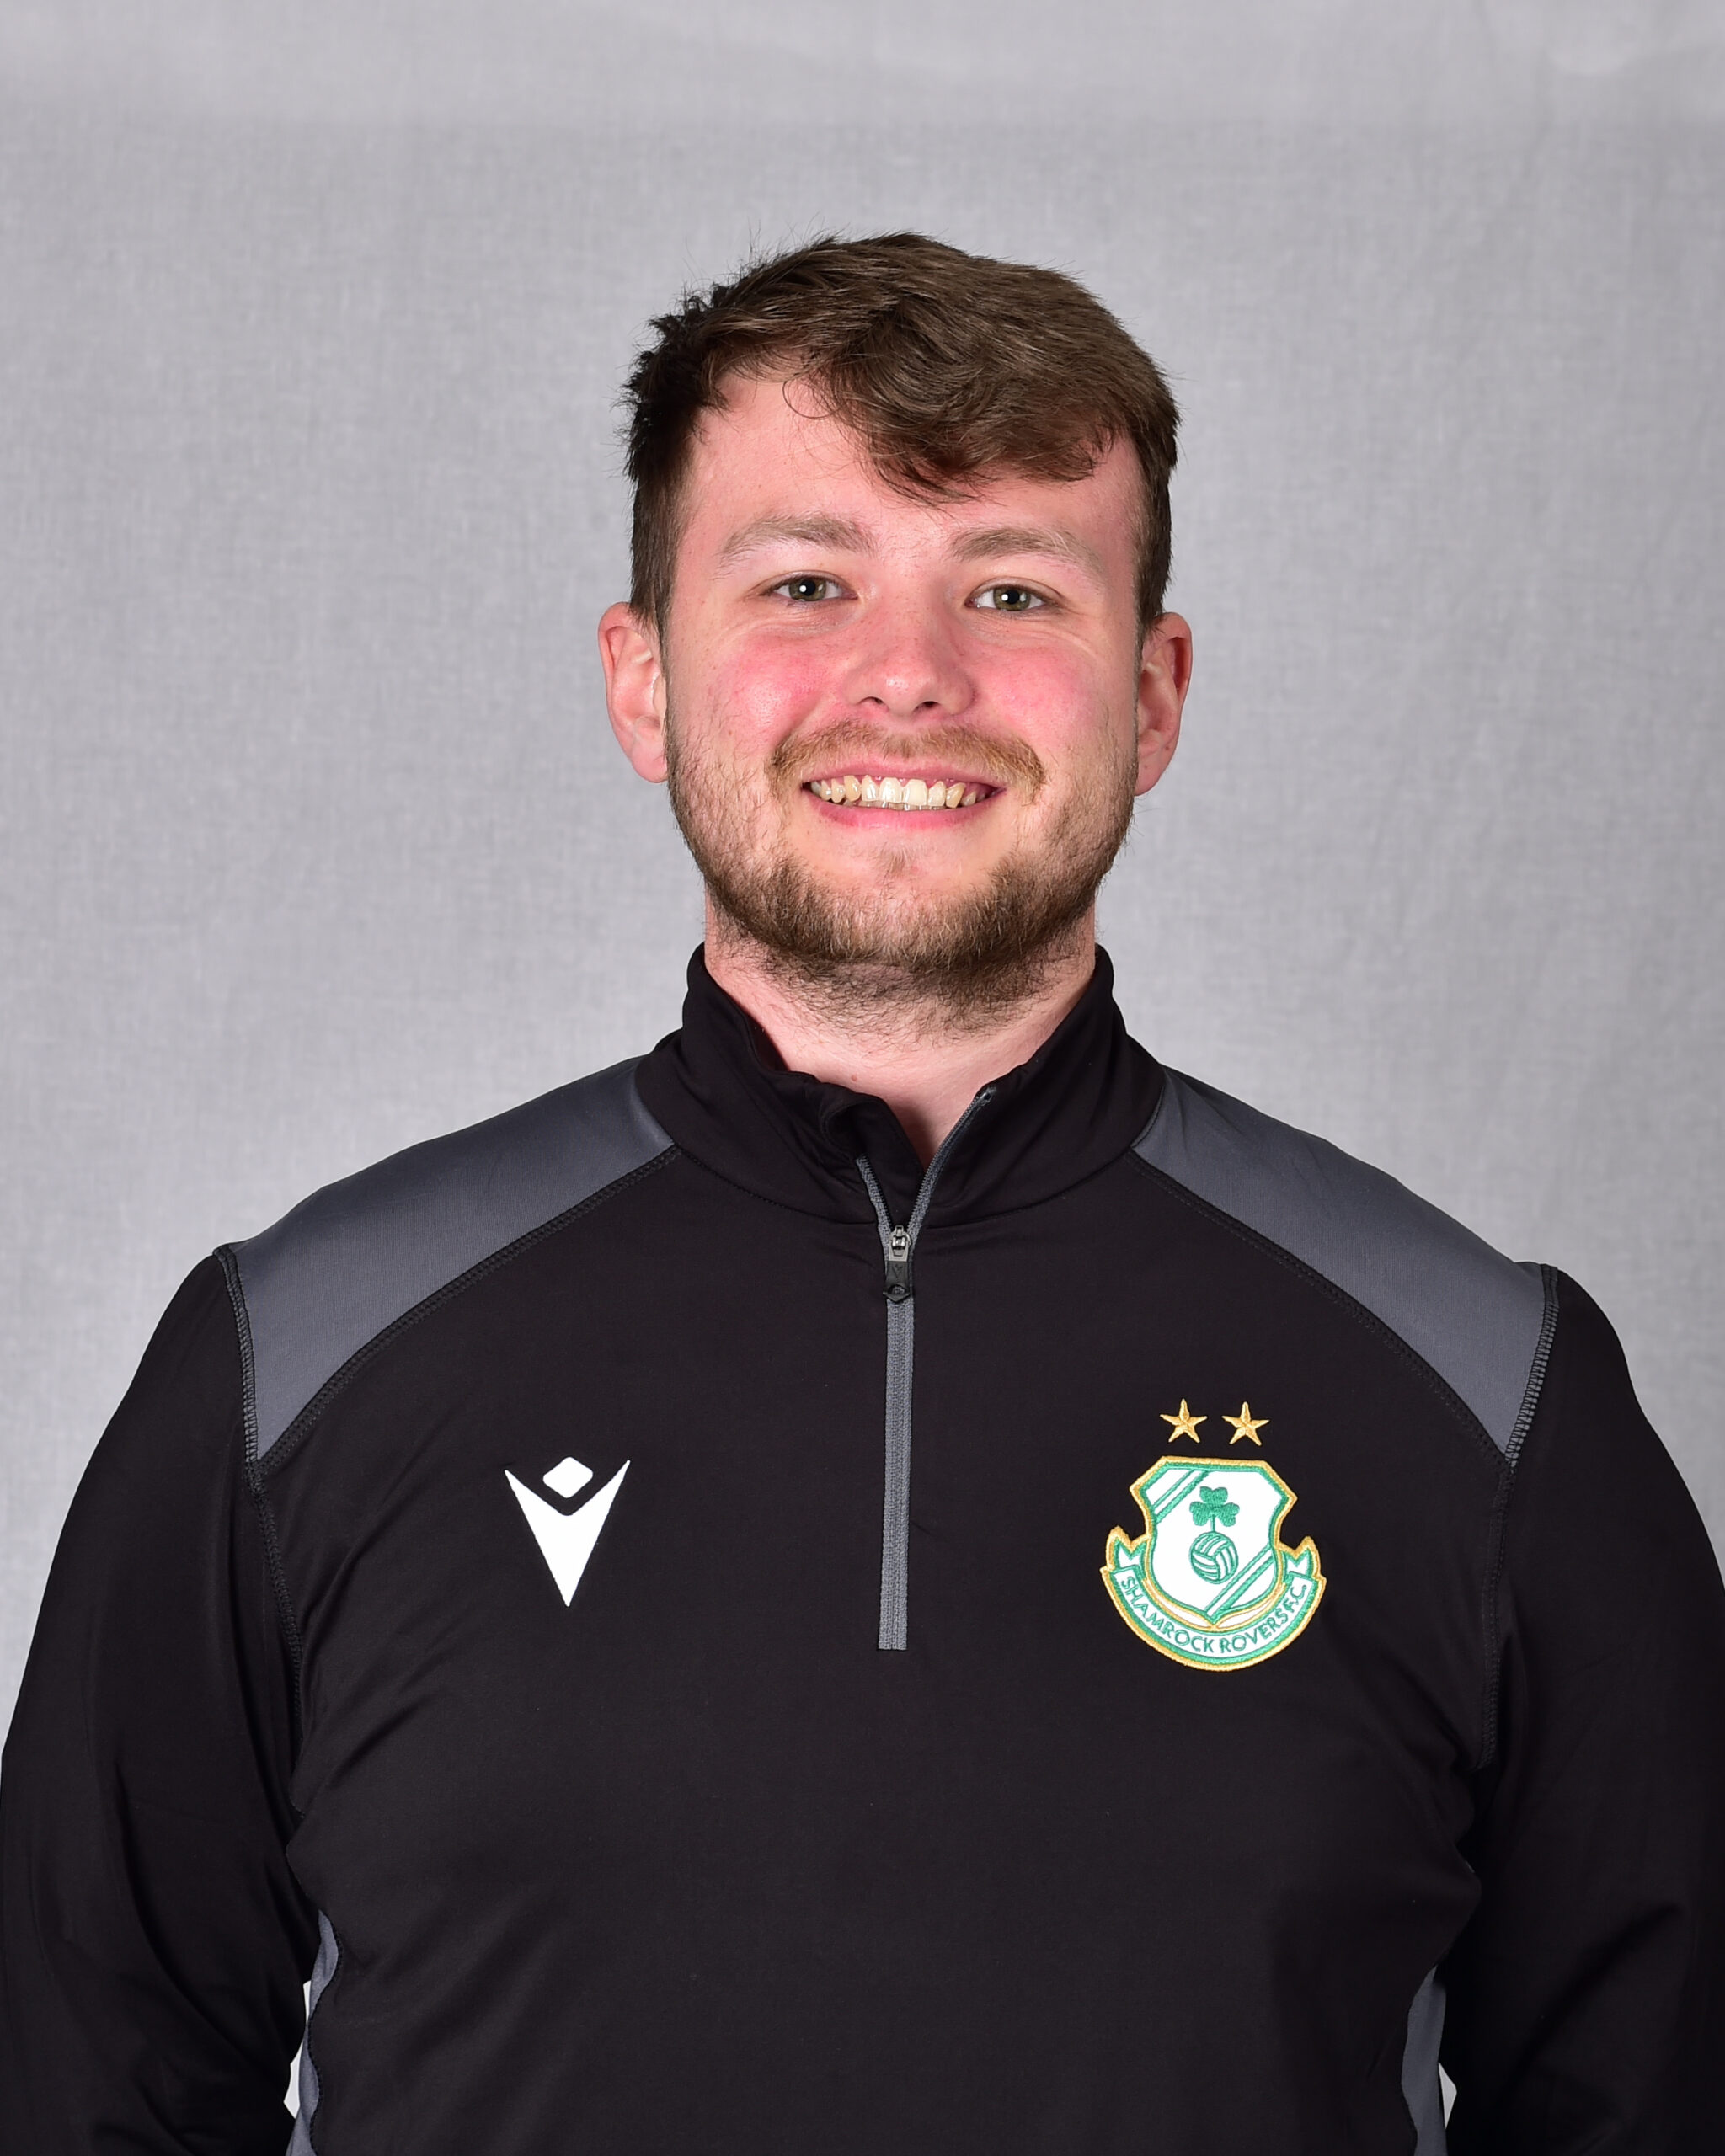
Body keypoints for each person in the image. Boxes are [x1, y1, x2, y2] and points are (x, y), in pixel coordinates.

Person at [3, 232, 1722, 2155]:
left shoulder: (1489, 1392)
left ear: (1151, 694)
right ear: (643, 681)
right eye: (806, 582)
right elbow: (89, 2082)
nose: (908, 676)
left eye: (1010, 586)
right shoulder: (287, 1365)